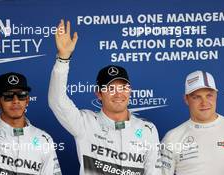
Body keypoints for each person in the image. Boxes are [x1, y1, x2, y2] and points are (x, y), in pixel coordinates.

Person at [48, 20, 161, 175]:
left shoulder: (147, 129)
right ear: (98, 94)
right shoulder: (85, 123)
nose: (118, 94)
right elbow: (57, 101)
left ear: (130, 90)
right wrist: (63, 59)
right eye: (110, 88)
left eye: (123, 87)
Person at [0, 23, 62, 175]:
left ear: (27, 100)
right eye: (8, 96)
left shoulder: (43, 139)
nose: (16, 100)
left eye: (21, 95)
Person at [161, 70, 224, 175]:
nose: (204, 103)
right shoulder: (172, 138)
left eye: (209, 95)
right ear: (186, 99)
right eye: (196, 97)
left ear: (216, 95)